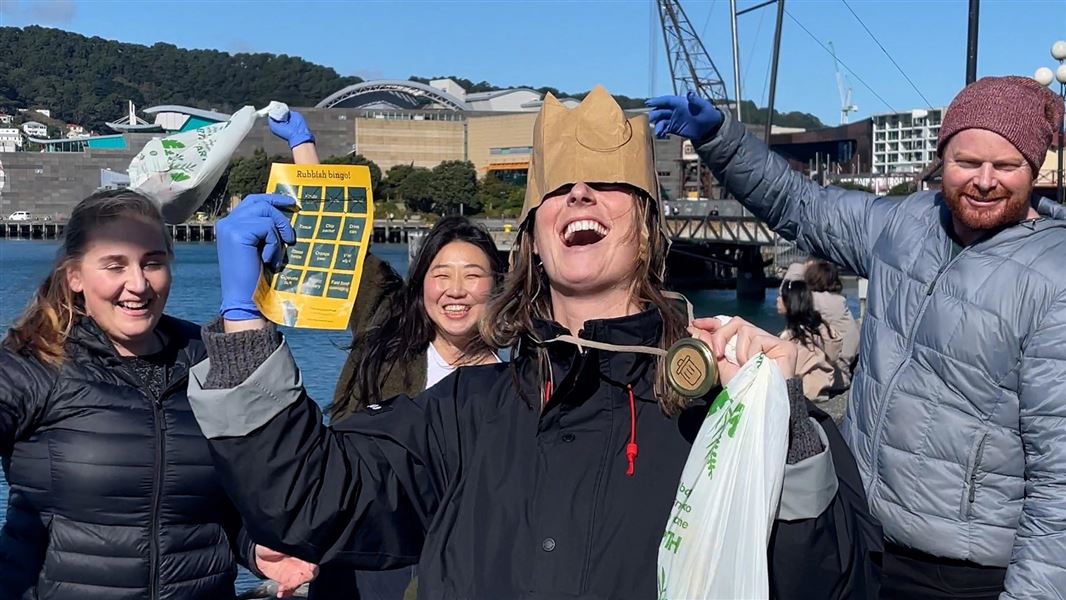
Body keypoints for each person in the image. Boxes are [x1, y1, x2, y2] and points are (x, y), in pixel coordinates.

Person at [187, 86, 879, 599]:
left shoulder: (719, 407)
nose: (580, 191)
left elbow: (834, 580)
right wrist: (243, 320)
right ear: (533, 241)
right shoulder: (464, 411)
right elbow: (310, 498)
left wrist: (781, 424)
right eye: (559, 188)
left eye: (609, 184)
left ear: (648, 229)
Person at [648, 75, 1066, 598]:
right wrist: (720, 141)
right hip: (856, 528)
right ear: (941, 159)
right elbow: (799, 204)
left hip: (964, 575)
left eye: (1005, 166)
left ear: (1034, 166)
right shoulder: (906, 223)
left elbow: (1060, 482)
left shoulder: (1055, 276)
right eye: (966, 163)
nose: (984, 181)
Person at [0, 190, 315, 599]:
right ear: (74, 276)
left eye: (153, 263)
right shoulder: (33, 363)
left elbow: (223, 503)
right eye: (115, 265)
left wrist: (256, 548)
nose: (138, 284)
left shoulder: (207, 358)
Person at [267, 112, 505, 600]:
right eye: (441, 275)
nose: (456, 291)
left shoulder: (519, 382)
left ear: (498, 287)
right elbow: (339, 245)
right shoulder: (387, 335)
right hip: (362, 563)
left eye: (473, 275)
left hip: (463, 571)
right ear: (420, 288)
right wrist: (304, 150)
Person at [777, 266, 840, 402]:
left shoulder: (794, 337)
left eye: (781, 296)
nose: (778, 300)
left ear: (791, 302)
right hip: (824, 389)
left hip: (806, 395)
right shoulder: (820, 329)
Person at [804, 257, 859, 386]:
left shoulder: (817, 300)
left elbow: (789, 295)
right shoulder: (837, 301)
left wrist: (799, 267)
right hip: (842, 371)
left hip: (831, 378)